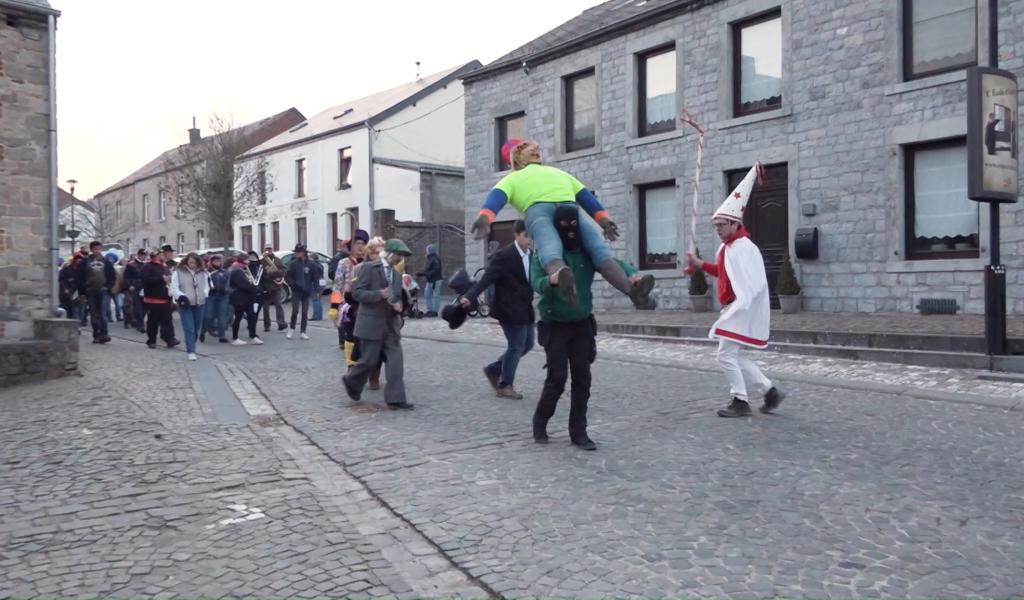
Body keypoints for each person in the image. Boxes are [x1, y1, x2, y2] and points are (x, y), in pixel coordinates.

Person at [472, 138, 655, 310]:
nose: (537, 150)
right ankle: (632, 292)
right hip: (570, 209)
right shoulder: (559, 173)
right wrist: (603, 220)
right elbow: (585, 197)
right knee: (598, 248)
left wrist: (485, 217)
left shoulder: (511, 179)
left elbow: (496, 198)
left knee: (549, 245)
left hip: (537, 210)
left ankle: (562, 279)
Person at [531, 204, 646, 451]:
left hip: (582, 322)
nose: (570, 231)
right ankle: (540, 421)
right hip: (554, 323)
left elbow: (611, 262)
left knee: (582, 377)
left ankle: (579, 432)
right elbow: (536, 282)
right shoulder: (546, 251)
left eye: (575, 225)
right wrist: (552, 280)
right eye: (564, 227)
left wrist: (632, 276)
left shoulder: (586, 250)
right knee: (557, 377)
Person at [684, 163, 785, 418]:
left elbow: (752, 284)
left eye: (721, 225)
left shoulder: (744, 247)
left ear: (733, 223)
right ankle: (769, 390)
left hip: (741, 307)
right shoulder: (727, 248)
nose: (717, 230)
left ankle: (740, 401)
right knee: (733, 355)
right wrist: (698, 265)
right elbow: (724, 272)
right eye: (715, 226)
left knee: (725, 355)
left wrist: (741, 307)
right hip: (733, 307)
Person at [461, 220, 535, 399]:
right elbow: (487, 279)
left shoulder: (532, 255)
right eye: (526, 236)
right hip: (508, 308)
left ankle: (494, 369)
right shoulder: (504, 255)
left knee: (528, 344)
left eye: (532, 236)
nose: (529, 240)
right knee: (516, 345)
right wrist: (470, 296)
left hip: (525, 308)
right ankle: (505, 385)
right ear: (517, 235)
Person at [341, 238, 413, 409]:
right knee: (368, 360)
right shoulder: (368, 268)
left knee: (396, 360)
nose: (400, 258)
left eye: (402, 255)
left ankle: (396, 398)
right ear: (389, 253)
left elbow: (395, 297)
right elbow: (358, 294)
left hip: (391, 326)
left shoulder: (396, 275)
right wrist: (377, 294)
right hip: (371, 323)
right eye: (398, 254)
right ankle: (351, 381)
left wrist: (398, 306)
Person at [329, 229, 370, 362]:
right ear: (351, 247)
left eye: (363, 244)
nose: (360, 247)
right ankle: (351, 363)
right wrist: (334, 307)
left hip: (366, 305)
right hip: (348, 306)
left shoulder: (370, 264)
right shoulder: (344, 263)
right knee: (350, 335)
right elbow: (337, 286)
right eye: (357, 243)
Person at [170, 252, 211, 361]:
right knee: (189, 328)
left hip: (200, 304)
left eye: (194, 262)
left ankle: (191, 344)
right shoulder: (178, 272)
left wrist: (204, 294)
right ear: (186, 262)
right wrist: (181, 296)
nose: (192, 264)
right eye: (190, 262)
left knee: (196, 328)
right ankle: (191, 351)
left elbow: (207, 286)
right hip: (185, 305)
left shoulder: (204, 273)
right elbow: (173, 288)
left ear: (198, 263)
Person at [75, 241, 115, 344]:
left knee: (103, 313)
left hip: (103, 290)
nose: (97, 251)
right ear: (91, 250)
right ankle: (96, 335)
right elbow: (79, 276)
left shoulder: (106, 261)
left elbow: (112, 276)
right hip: (91, 290)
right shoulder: (85, 261)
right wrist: (84, 288)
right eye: (95, 249)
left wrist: (109, 287)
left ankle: (104, 334)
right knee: (94, 314)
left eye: (99, 249)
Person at [141, 249, 179, 349]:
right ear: (155, 255)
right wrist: (161, 279)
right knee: (153, 321)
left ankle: (169, 339)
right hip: (153, 299)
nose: (163, 255)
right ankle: (151, 340)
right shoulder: (147, 267)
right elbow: (145, 280)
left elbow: (168, 278)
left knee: (167, 320)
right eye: (161, 254)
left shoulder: (164, 266)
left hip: (166, 298)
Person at [229, 252, 265, 346]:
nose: (249, 261)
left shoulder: (244, 269)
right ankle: (235, 338)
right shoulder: (237, 270)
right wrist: (255, 289)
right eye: (247, 259)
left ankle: (253, 336)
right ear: (242, 260)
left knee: (252, 316)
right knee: (238, 317)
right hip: (240, 298)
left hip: (247, 298)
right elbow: (244, 284)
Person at [284, 244, 317, 340]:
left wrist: (316, 289)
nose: (296, 254)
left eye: (298, 252)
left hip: (306, 291)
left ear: (303, 253)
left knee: (305, 312)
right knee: (295, 311)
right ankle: (292, 328)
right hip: (296, 291)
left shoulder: (311, 264)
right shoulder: (293, 264)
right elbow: (287, 276)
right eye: (296, 252)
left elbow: (315, 277)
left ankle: (303, 331)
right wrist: (292, 285)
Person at [259, 245, 288, 333]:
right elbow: (261, 273)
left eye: (270, 249)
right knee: (266, 308)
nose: (269, 251)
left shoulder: (277, 260)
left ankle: (281, 323)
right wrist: (268, 275)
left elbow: (284, 270)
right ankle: (267, 325)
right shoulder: (261, 261)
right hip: (266, 287)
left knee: (278, 305)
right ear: (264, 250)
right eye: (267, 249)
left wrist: (274, 273)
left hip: (276, 286)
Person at [204, 254, 231, 343]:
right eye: (216, 261)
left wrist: (227, 289)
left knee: (222, 316)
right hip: (211, 296)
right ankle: (204, 330)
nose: (218, 263)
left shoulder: (225, 272)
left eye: (219, 261)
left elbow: (228, 282)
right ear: (211, 262)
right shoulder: (207, 272)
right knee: (208, 315)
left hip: (223, 296)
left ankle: (222, 335)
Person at [124, 249, 148, 333]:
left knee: (145, 307)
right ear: (138, 255)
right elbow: (126, 277)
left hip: (145, 288)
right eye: (142, 254)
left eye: (144, 254)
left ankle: (139, 322)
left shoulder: (147, 264)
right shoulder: (131, 265)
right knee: (137, 307)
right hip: (135, 287)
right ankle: (140, 325)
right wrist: (129, 285)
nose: (143, 256)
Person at [416, 244, 444, 317]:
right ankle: (430, 310)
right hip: (430, 280)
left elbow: (436, 270)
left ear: (430, 250)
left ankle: (434, 311)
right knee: (427, 294)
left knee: (435, 295)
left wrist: (426, 274)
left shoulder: (435, 259)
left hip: (436, 280)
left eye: (427, 250)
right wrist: (421, 274)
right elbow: (428, 270)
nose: (426, 251)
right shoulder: (430, 259)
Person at [59, 253, 83, 322]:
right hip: (67, 292)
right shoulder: (66, 270)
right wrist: (65, 289)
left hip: (79, 293)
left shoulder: (82, 270)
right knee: (69, 309)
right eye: (77, 261)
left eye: (80, 261)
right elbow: (61, 280)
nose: (78, 263)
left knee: (79, 309)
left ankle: (78, 324)